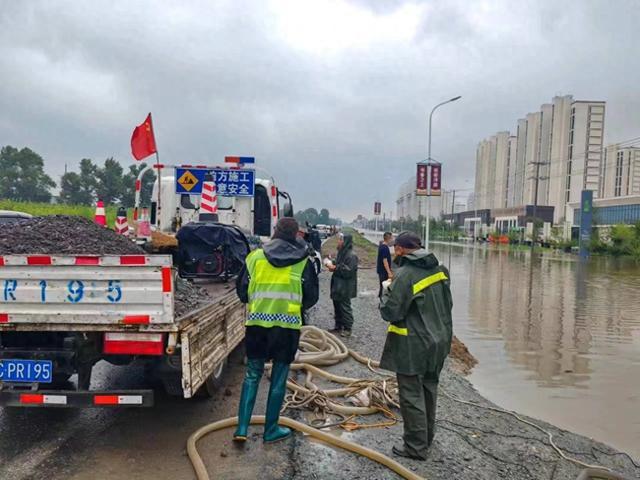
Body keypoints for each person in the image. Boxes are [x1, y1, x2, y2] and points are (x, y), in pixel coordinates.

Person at [233, 218, 319, 443]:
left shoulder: (254, 258)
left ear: (274, 232)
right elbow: (311, 297)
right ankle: (270, 430)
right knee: (280, 377)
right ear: (296, 235)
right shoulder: (303, 262)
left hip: (257, 325)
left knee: (252, 374)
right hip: (287, 328)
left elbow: (242, 292)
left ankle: (241, 428)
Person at [379, 231, 453, 460]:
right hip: (440, 340)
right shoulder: (440, 269)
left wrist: (386, 291)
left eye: (395, 249)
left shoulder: (405, 274)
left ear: (400, 249)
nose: (394, 252)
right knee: (429, 388)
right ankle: (426, 438)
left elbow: (391, 311)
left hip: (414, 344)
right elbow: (448, 304)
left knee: (411, 395)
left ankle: (415, 447)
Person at [327, 233, 358, 337]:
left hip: (345, 287)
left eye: (341, 240)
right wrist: (332, 262)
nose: (339, 242)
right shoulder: (341, 252)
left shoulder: (352, 255)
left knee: (345, 307)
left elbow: (348, 271)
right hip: (337, 285)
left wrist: (335, 268)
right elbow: (340, 263)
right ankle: (338, 326)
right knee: (337, 306)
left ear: (345, 242)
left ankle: (348, 328)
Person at [376, 232, 394, 297]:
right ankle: (381, 301)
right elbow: (385, 261)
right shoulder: (384, 248)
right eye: (392, 238)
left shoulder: (382, 246)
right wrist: (389, 272)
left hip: (381, 270)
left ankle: (381, 298)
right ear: (389, 239)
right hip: (383, 271)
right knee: (384, 287)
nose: (393, 240)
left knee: (382, 286)